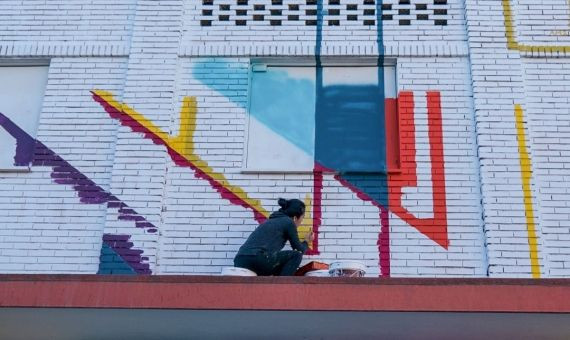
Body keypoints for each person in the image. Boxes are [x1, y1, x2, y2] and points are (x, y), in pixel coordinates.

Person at [234, 198, 314, 276]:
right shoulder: (288, 222)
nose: (301, 221)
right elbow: (299, 249)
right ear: (295, 218)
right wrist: (307, 241)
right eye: (302, 217)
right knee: (296, 255)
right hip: (257, 258)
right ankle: (282, 287)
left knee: (280, 266)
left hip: (240, 260)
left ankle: (275, 286)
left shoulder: (271, 220)